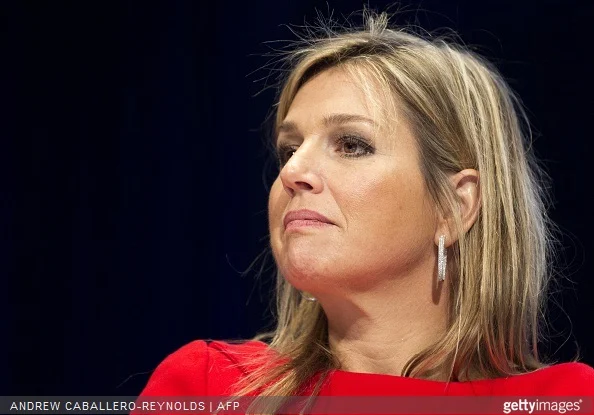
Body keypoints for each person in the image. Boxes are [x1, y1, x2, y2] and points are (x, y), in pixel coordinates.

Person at [137, 10, 594, 414]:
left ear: (454, 208)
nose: (294, 171)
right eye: (289, 149)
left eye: (352, 145)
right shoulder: (210, 387)